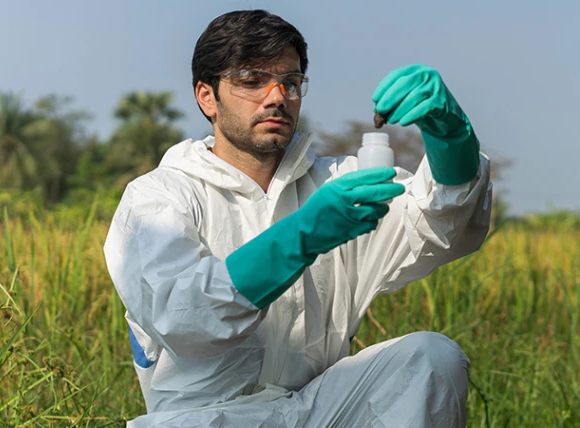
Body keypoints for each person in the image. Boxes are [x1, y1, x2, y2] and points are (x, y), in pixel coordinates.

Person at [103, 9, 493, 427]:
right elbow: (186, 319)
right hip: (203, 418)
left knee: (431, 359)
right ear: (207, 97)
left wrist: (450, 135)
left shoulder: (338, 185)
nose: (276, 97)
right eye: (252, 80)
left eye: (290, 82)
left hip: (318, 410)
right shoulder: (159, 197)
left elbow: (439, 222)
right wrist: (301, 237)